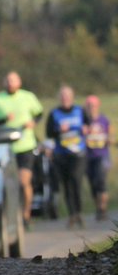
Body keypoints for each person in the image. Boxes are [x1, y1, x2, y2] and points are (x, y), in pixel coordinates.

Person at [0, 71, 44, 224]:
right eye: (8, 80)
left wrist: (33, 122)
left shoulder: (28, 97)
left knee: (23, 181)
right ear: (4, 82)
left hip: (26, 145)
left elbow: (39, 113)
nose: (11, 83)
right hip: (5, 148)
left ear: (19, 82)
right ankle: (12, 214)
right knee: (9, 183)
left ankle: (26, 214)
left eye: (14, 80)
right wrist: (5, 119)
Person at [47, 85, 89, 230]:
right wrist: (58, 130)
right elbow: (49, 133)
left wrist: (86, 129)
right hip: (61, 154)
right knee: (66, 184)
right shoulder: (54, 113)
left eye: (67, 95)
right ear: (60, 97)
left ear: (72, 97)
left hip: (78, 154)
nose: (65, 98)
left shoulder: (80, 110)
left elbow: (88, 125)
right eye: (62, 96)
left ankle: (79, 212)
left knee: (75, 179)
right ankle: (72, 214)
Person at [84, 95, 111, 222]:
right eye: (89, 106)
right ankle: (98, 208)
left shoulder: (104, 120)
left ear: (98, 106)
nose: (91, 108)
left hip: (102, 155)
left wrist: (108, 139)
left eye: (93, 105)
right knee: (93, 184)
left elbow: (110, 136)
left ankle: (103, 208)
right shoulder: (83, 122)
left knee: (101, 182)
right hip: (88, 156)